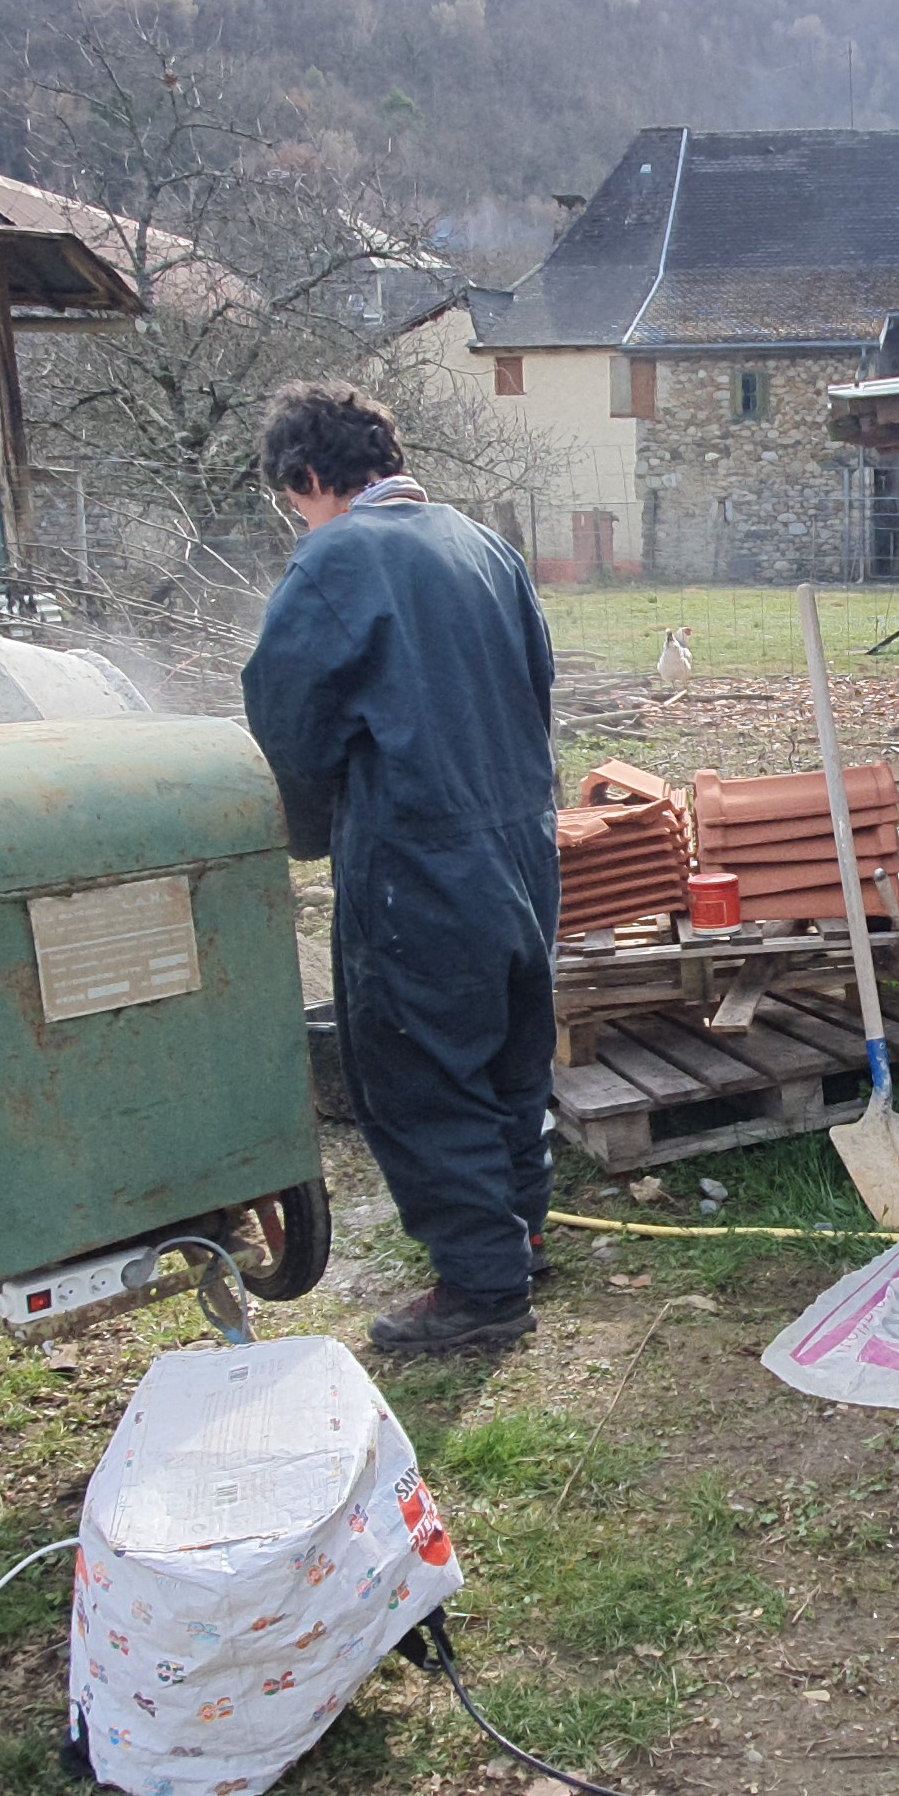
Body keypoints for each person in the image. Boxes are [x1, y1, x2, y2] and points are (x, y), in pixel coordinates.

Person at [239, 381, 561, 1354]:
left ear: (307, 478)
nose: (296, 517)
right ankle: (522, 1233)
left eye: (290, 500)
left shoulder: (336, 559)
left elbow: (285, 719)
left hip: (417, 858)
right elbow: (537, 688)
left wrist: (303, 830)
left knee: (424, 1071)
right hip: (521, 847)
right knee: (509, 1051)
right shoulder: (487, 549)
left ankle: (482, 1292)